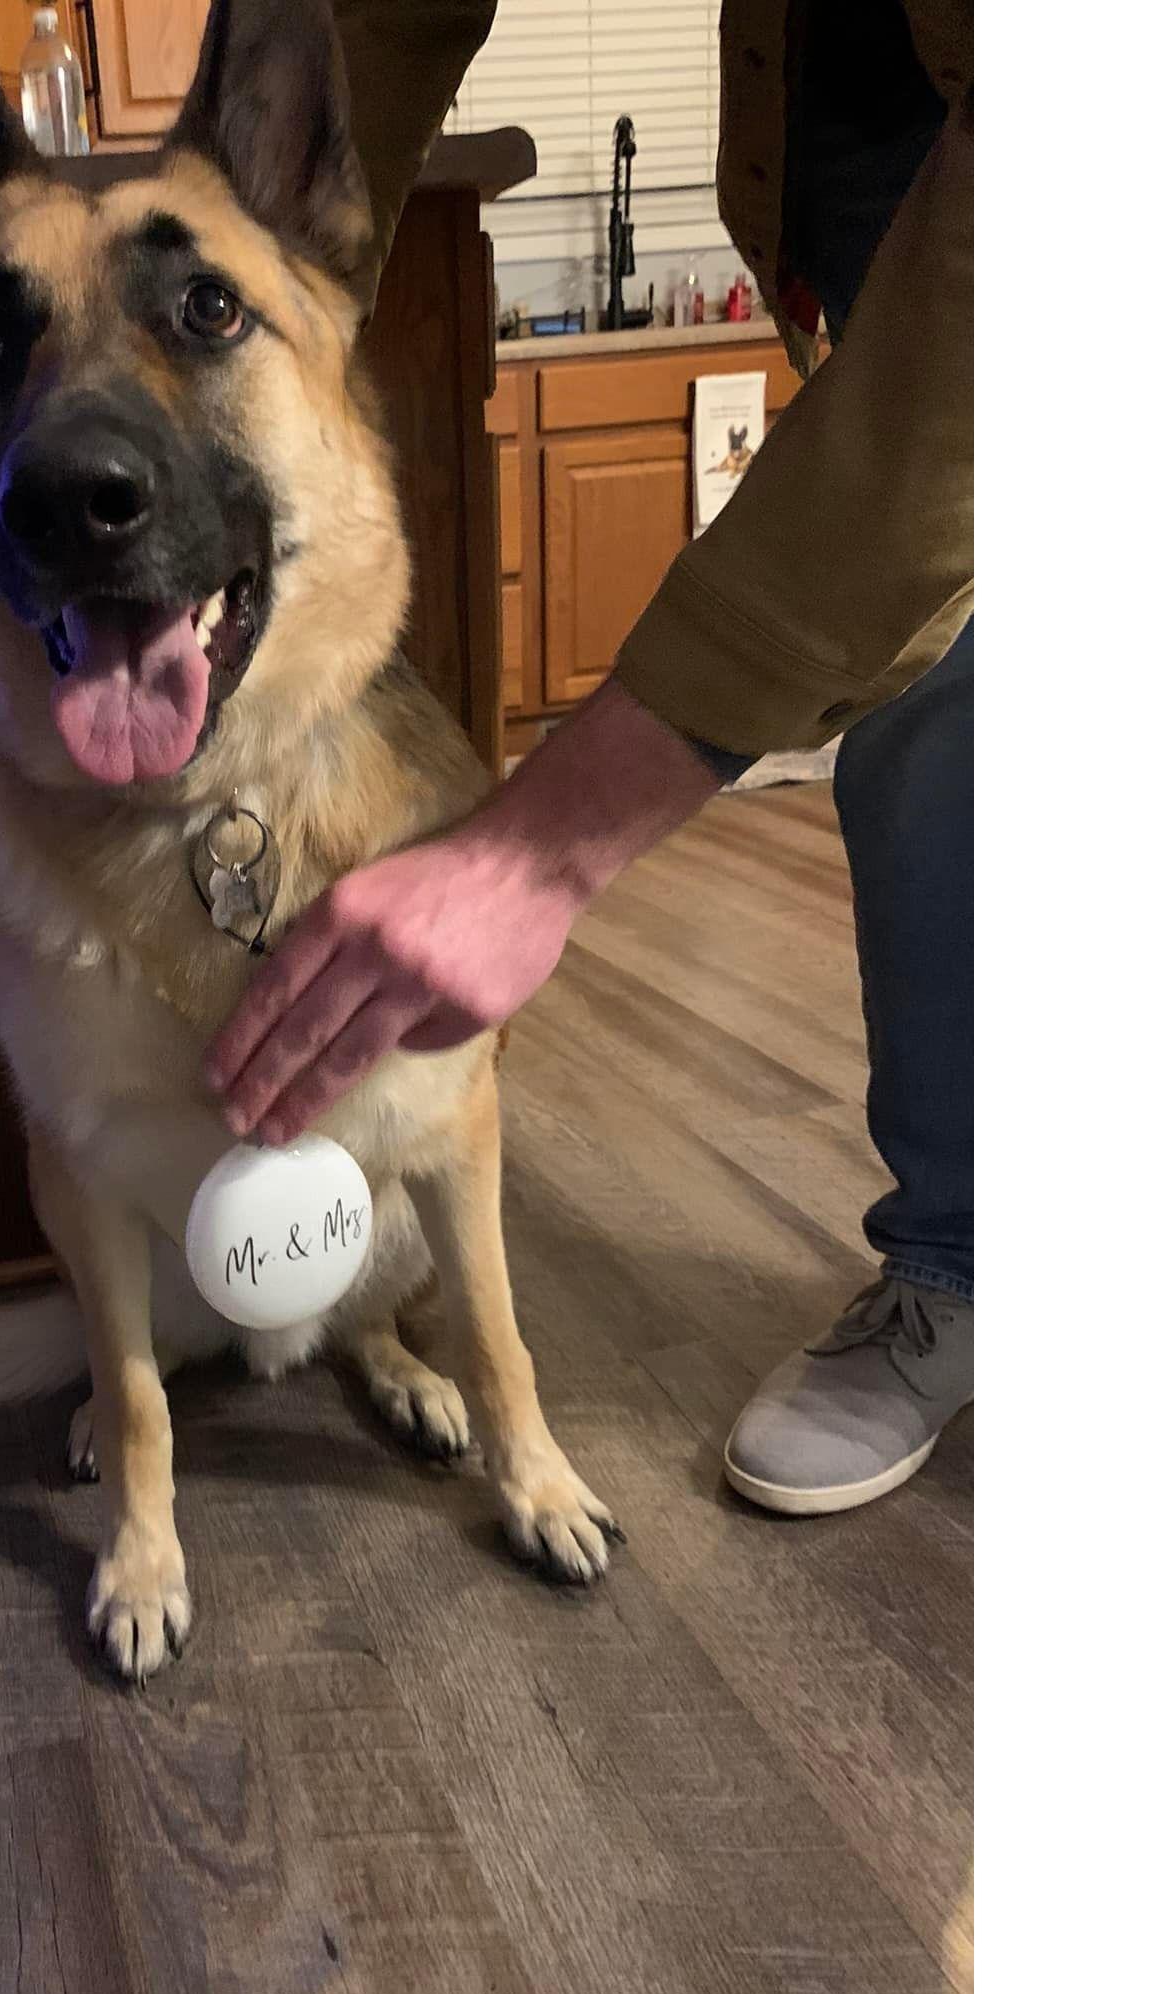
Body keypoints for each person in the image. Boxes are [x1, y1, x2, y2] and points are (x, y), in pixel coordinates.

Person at [205, 0, 974, 1517]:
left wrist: (533, 851)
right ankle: (967, 1256)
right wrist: (239, 283)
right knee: (936, 695)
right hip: (875, 170)